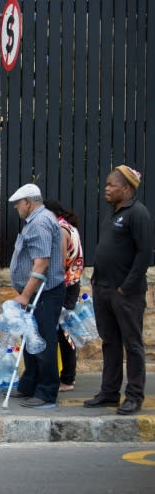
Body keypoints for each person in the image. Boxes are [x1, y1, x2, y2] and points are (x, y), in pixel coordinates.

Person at [84, 165, 153, 416]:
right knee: (109, 342)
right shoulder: (112, 215)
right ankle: (109, 392)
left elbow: (144, 254)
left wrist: (126, 287)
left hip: (126, 293)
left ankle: (134, 395)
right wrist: (96, 281)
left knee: (132, 345)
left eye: (112, 185)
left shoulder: (138, 214)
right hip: (103, 289)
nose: (107, 188)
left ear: (126, 188)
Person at [7, 183, 66, 409]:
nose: (16, 209)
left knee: (41, 341)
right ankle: (29, 385)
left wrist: (25, 295)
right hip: (37, 293)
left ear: (28, 202)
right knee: (30, 339)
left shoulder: (40, 222)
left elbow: (41, 263)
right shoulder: (38, 220)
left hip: (44, 293)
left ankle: (46, 392)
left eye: (17, 205)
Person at [43, 199, 84, 392]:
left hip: (64, 286)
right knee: (65, 332)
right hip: (72, 284)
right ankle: (67, 376)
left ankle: (67, 379)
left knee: (63, 333)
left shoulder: (60, 230)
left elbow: (58, 264)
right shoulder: (70, 227)